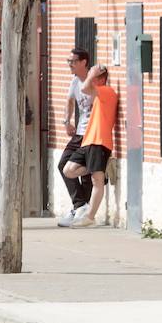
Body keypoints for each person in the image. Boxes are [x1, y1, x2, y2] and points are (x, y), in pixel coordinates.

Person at [64, 65, 118, 228]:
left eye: (95, 77)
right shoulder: (100, 93)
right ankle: (100, 167)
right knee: (68, 170)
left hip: (100, 141)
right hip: (88, 140)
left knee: (97, 181)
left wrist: (91, 74)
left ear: (101, 79)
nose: (91, 80)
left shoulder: (107, 91)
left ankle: (90, 217)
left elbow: (85, 88)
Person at [57, 48, 96, 227]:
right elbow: (70, 101)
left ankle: (84, 208)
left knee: (85, 172)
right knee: (62, 164)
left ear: (84, 62)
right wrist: (67, 121)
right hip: (79, 132)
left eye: (73, 61)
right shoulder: (74, 82)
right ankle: (80, 205)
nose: (70, 65)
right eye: (68, 61)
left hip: (91, 132)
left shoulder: (93, 82)